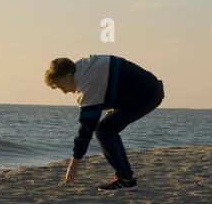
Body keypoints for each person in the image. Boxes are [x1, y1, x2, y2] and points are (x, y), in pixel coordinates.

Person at [45, 54, 164, 191]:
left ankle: (125, 179)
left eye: (61, 86)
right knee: (106, 129)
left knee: (103, 131)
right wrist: (116, 105)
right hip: (147, 89)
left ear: (67, 75)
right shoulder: (86, 66)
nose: (64, 92)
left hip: (147, 94)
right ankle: (126, 178)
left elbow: (86, 129)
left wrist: (74, 163)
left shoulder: (88, 83)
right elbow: (116, 77)